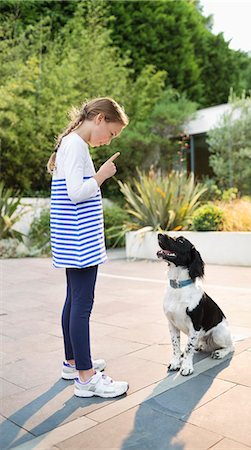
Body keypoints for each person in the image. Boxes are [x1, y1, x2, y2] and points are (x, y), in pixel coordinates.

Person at [47, 97, 129, 398]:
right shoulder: (75, 146)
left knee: (73, 302)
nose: (109, 140)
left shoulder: (72, 144)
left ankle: (73, 362)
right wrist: (102, 175)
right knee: (81, 306)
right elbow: (76, 193)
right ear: (99, 119)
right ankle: (85, 378)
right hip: (79, 241)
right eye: (112, 133)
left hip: (74, 239)